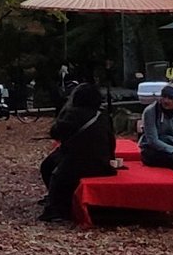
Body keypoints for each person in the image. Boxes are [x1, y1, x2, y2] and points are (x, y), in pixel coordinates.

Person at [39, 82, 116, 222]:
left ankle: (55, 209)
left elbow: (55, 132)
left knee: (51, 169)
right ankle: (59, 201)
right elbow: (111, 139)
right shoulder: (102, 115)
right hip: (101, 162)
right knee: (52, 164)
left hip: (77, 159)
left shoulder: (73, 113)